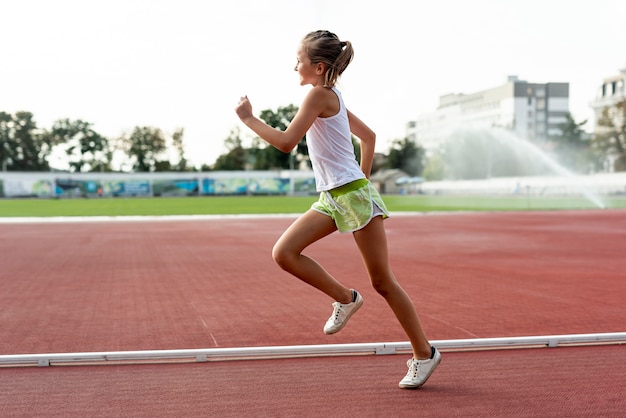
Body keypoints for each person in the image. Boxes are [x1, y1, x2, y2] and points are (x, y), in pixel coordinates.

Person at [235, 30, 440, 389]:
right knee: (284, 253)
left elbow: (286, 143)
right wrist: (357, 179)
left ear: (317, 67)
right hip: (333, 196)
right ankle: (346, 298)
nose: (294, 65)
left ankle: (425, 354)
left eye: (298, 60)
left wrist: (249, 119)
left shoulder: (318, 96)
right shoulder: (332, 97)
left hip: (352, 196)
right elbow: (370, 137)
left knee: (384, 282)